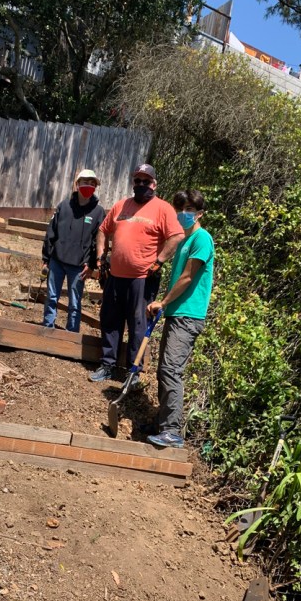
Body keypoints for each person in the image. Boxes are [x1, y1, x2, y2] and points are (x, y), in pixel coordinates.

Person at [89, 164, 183, 382]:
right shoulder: (121, 205)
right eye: (137, 181)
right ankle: (108, 364)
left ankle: (133, 371)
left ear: (154, 184)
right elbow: (103, 230)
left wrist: (159, 261)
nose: (141, 184)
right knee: (110, 320)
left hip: (143, 278)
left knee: (138, 324)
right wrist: (101, 257)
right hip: (115, 276)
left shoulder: (163, 209)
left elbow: (176, 236)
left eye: (145, 181)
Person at [145, 189, 214, 449]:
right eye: (180, 209)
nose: (183, 213)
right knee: (164, 369)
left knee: (171, 370)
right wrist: (165, 306)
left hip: (188, 314)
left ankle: (171, 431)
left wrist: (163, 302)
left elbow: (187, 278)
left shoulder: (201, 239)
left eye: (189, 210)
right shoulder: (185, 240)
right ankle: (162, 423)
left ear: (199, 213)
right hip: (176, 312)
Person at [41, 169, 105, 333]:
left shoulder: (98, 212)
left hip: (79, 267)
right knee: (52, 297)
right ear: (77, 184)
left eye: (92, 184)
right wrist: (46, 258)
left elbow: (98, 241)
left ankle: (72, 334)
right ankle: (47, 328)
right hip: (57, 261)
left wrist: (91, 265)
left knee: (75, 303)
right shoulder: (64, 206)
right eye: (85, 182)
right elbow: (51, 232)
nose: (88, 186)